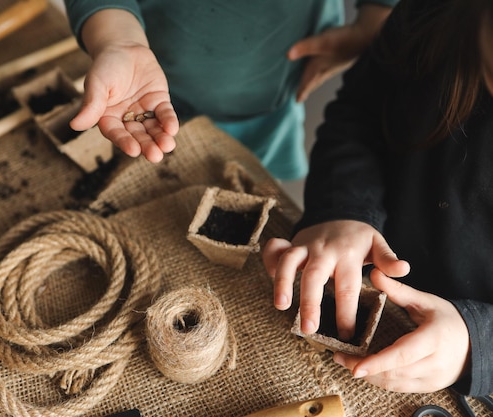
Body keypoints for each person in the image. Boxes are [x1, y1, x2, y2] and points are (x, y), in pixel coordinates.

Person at [262, 0, 493, 396]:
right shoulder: (431, 14)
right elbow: (360, 116)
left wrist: (479, 345)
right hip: (370, 271)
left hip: (465, 371)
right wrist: (344, 210)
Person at [62, 0, 397, 180]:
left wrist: (378, 18)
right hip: (150, 86)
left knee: (249, 187)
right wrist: (118, 40)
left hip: (270, 106)